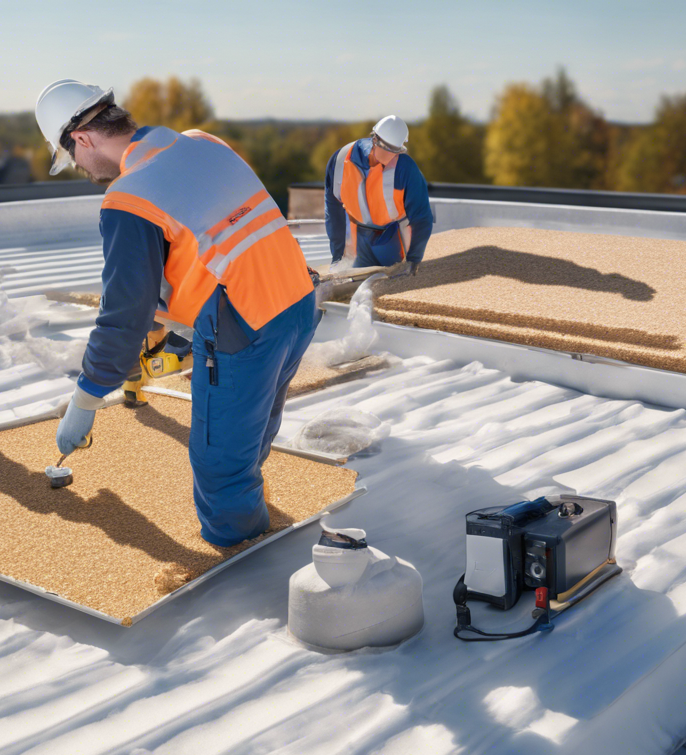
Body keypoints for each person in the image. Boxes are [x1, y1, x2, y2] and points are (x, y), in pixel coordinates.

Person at [35, 79, 318, 548]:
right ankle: (251, 503)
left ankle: (245, 567)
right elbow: (220, 231)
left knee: (219, 465)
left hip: (246, 324)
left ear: (82, 139)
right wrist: (184, 313)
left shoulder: (128, 197)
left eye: (73, 159)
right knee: (251, 429)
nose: (83, 170)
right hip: (298, 300)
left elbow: (123, 315)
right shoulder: (202, 141)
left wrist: (86, 398)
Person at [324, 115, 434, 272]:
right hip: (357, 239)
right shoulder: (340, 161)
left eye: (396, 150)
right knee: (351, 285)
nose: (391, 156)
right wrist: (337, 257)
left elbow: (422, 217)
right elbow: (333, 212)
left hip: (392, 237)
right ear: (374, 139)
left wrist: (413, 259)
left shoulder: (405, 169)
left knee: (391, 282)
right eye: (388, 149)